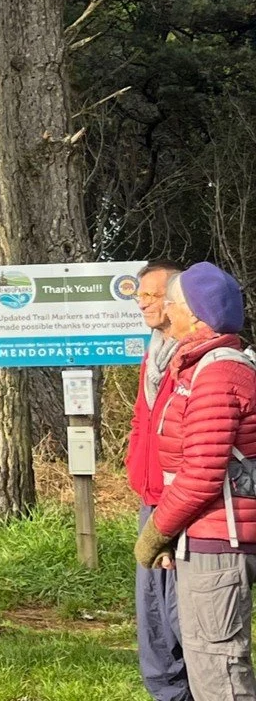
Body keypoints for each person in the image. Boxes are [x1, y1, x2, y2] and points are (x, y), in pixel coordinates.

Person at [136, 263, 256, 701]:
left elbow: (202, 474)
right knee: (210, 662)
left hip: (217, 540)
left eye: (173, 302)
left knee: (218, 669)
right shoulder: (198, 366)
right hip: (202, 532)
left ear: (197, 315)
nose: (165, 309)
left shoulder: (218, 372)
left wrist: (156, 532)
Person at [127, 260, 192, 701]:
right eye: (140, 297)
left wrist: (172, 514)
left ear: (175, 301)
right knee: (152, 618)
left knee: (183, 617)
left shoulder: (195, 358)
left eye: (150, 296)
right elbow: (141, 421)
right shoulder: (154, 352)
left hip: (184, 508)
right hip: (150, 501)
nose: (142, 304)